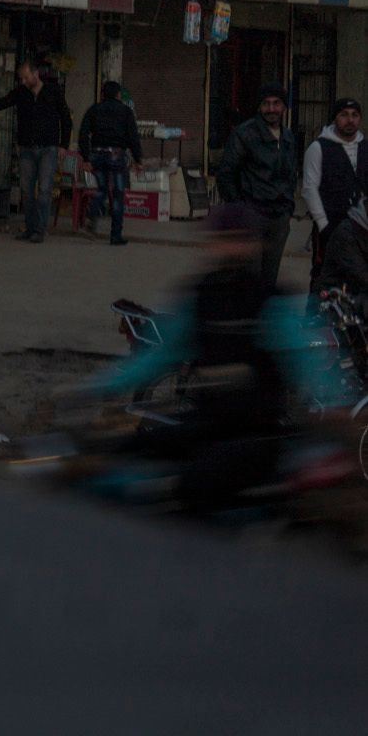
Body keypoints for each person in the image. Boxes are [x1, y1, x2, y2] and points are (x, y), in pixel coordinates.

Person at [78, 203, 345, 515]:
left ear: (254, 244)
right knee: (130, 448)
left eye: (237, 239)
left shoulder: (270, 301)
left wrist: (339, 408)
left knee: (189, 486)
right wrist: (96, 387)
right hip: (208, 423)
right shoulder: (200, 295)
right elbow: (159, 357)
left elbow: (306, 365)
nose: (229, 247)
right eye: (222, 239)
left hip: (256, 436)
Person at [215, 84, 299, 286]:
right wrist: (240, 209)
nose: (271, 109)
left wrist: (288, 207)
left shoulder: (288, 137)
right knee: (246, 276)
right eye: (266, 104)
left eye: (276, 103)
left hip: (279, 217)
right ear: (260, 107)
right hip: (252, 215)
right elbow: (226, 173)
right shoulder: (244, 134)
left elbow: (291, 175)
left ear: (284, 107)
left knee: (270, 278)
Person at [0, 61, 71, 243]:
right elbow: (6, 101)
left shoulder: (53, 91)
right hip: (26, 148)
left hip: (48, 148)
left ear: (36, 74)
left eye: (26, 77)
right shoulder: (21, 93)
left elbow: (65, 118)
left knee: (44, 189)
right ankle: (30, 227)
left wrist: (63, 145)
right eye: (21, 78)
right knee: (26, 190)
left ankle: (39, 230)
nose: (23, 81)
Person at [302, 95, 365, 294]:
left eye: (354, 115)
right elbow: (310, 189)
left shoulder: (365, 147)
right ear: (335, 118)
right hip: (330, 223)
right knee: (324, 276)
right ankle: (314, 320)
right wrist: (323, 224)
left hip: (361, 228)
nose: (350, 120)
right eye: (344, 115)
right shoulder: (318, 147)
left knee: (358, 275)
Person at [78, 80, 142, 246]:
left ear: (102, 94)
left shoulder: (94, 110)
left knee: (102, 188)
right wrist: (138, 159)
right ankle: (115, 235)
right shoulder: (126, 112)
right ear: (118, 94)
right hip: (116, 156)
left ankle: (91, 215)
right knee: (118, 194)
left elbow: (83, 134)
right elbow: (133, 137)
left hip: (97, 155)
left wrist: (85, 158)